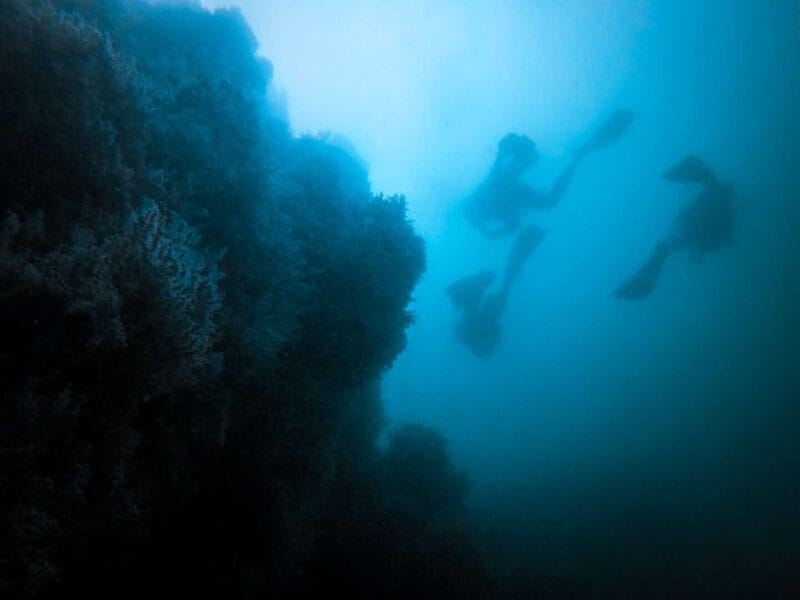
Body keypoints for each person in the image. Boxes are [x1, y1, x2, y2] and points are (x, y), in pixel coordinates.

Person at [464, 110, 634, 239]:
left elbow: (496, 173)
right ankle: (578, 157)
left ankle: (577, 157)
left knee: (546, 193)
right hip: (512, 192)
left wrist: (503, 151)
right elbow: (505, 226)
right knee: (548, 196)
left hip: (508, 187)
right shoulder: (492, 208)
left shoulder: (490, 196)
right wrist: (503, 151)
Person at [614, 155, 736, 300]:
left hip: (691, 230)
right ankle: (642, 278)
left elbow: (714, 236)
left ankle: (641, 279)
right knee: (667, 247)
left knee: (666, 248)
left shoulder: (716, 199)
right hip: (692, 230)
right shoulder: (717, 197)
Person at [446, 225, 545, 356]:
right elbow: (493, 332)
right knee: (507, 279)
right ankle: (528, 240)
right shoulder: (471, 330)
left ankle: (527, 240)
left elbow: (491, 332)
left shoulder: (469, 330)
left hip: (486, 314)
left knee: (506, 279)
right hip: (488, 314)